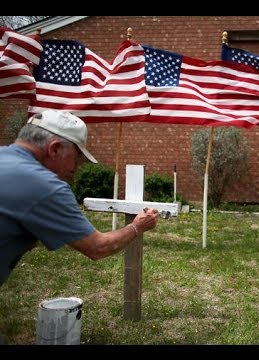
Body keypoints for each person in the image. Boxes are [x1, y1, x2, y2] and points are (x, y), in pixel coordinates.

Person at [0, 110, 160, 289]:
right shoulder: (46, 186)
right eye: (76, 158)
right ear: (55, 148)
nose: (75, 168)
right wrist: (137, 226)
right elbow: (98, 247)